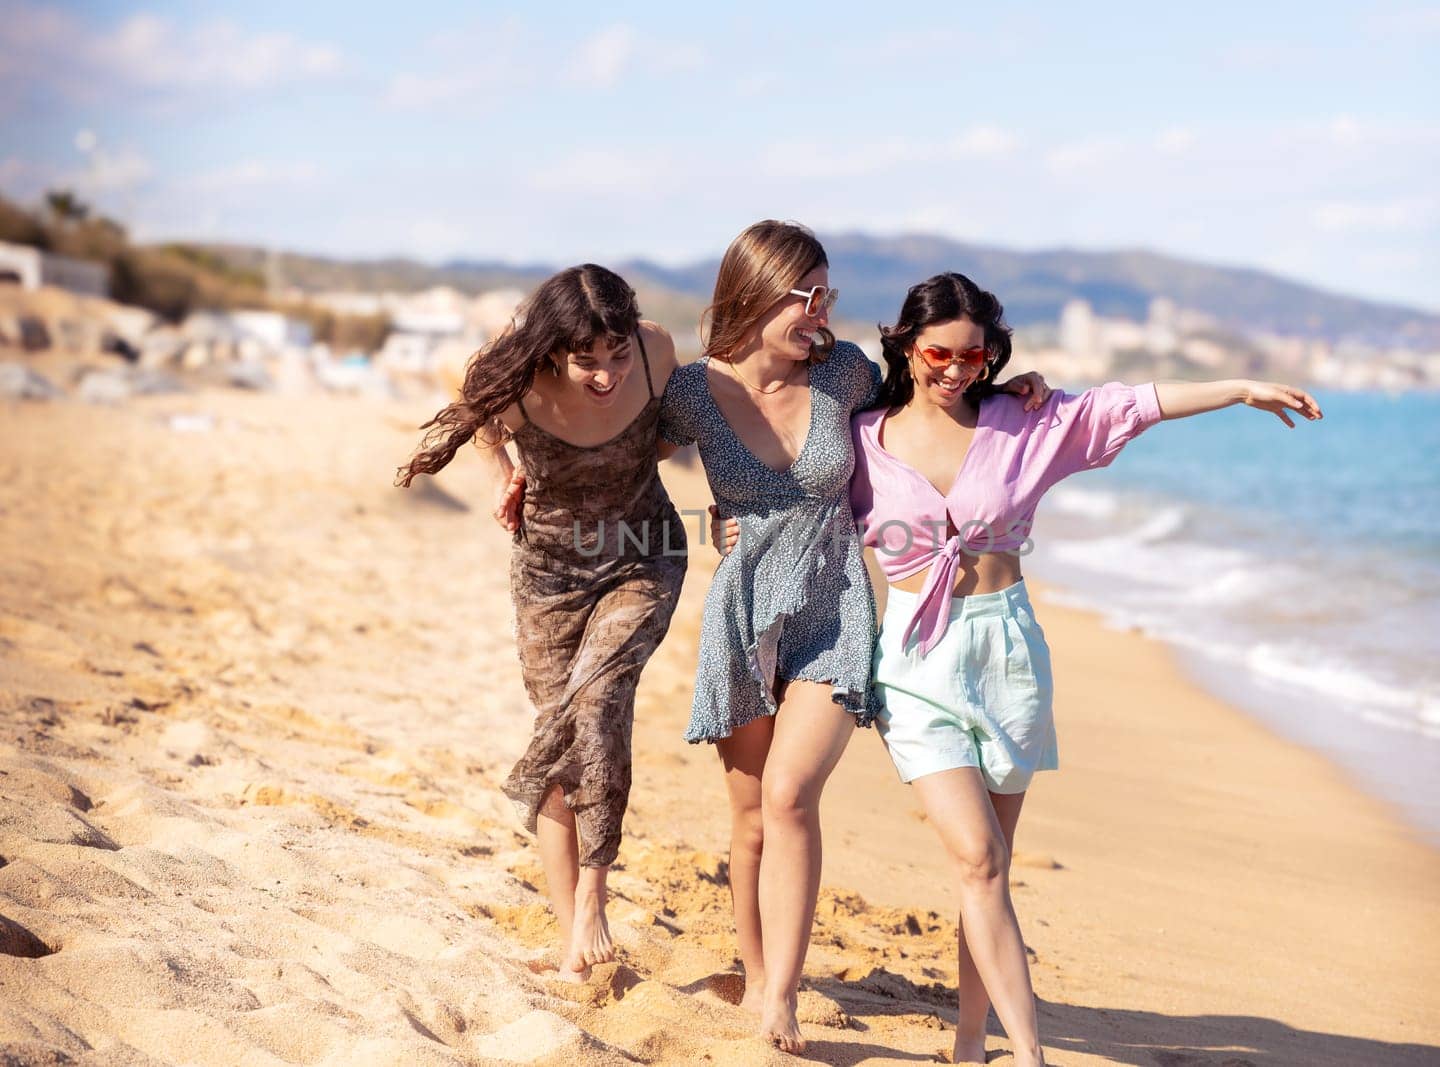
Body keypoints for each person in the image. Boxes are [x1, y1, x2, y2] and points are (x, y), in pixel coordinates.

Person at [715, 272, 1321, 1064]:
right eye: (940, 351)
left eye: (977, 354)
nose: (958, 368)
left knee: (988, 874)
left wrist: (1239, 388)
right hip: (915, 659)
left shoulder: (1024, 420)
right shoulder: (863, 436)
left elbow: (1127, 405)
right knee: (979, 856)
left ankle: (972, 1040)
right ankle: (1030, 1054)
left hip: (1008, 654)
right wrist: (735, 522)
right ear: (906, 345)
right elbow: (794, 488)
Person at [658, 223, 1048, 1052]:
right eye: (808, 296)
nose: (822, 311)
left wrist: (1013, 393)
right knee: (751, 814)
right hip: (745, 610)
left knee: (792, 792)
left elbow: (930, 406)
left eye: (827, 294)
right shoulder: (693, 392)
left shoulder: (844, 373)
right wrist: (697, 525)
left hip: (837, 607)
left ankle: (781, 999)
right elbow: (628, 449)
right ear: (756, 294)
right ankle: (758, 971)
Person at [397, 265, 686, 982]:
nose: (608, 374)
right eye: (588, 360)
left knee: (595, 704)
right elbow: (467, 393)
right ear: (555, 346)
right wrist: (501, 472)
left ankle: (594, 897)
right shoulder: (515, 367)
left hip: (644, 556)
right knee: (560, 751)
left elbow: (671, 435)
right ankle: (572, 944)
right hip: (548, 575)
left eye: (617, 357)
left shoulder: (655, 349)